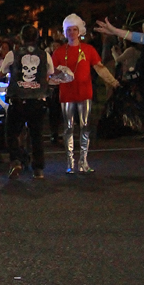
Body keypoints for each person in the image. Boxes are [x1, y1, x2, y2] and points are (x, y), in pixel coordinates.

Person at [51, 14, 119, 174]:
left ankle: (83, 161)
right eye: (69, 30)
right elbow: (51, 74)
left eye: (74, 29)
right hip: (66, 94)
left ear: (79, 31)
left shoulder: (88, 50)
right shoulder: (59, 52)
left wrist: (113, 81)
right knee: (68, 127)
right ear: (65, 32)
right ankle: (70, 162)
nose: (72, 33)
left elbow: (100, 68)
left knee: (85, 126)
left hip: (85, 93)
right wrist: (58, 78)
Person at [0, 25, 55, 179]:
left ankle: (16, 160)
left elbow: (3, 71)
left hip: (18, 99)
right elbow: (50, 72)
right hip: (37, 99)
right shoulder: (45, 55)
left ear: (21, 38)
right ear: (37, 38)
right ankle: (38, 168)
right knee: (36, 135)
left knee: (12, 132)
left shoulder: (13, 54)